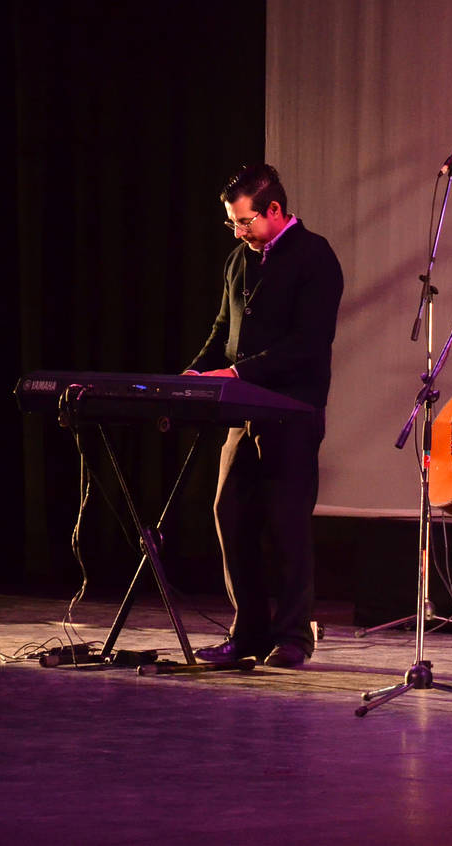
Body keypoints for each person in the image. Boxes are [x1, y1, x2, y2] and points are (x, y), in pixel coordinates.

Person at [186, 164, 344, 668]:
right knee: (230, 512)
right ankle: (248, 633)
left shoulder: (314, 256)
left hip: (291, 412)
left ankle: (294, 636)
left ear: (274, 210)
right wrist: (194, 374)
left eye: (244, 222)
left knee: (287, 522)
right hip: (243, 411)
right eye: (232, 223)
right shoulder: (239, 259)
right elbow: (223, 329)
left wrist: (236, 373)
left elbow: (308, 344)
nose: (238, 232)